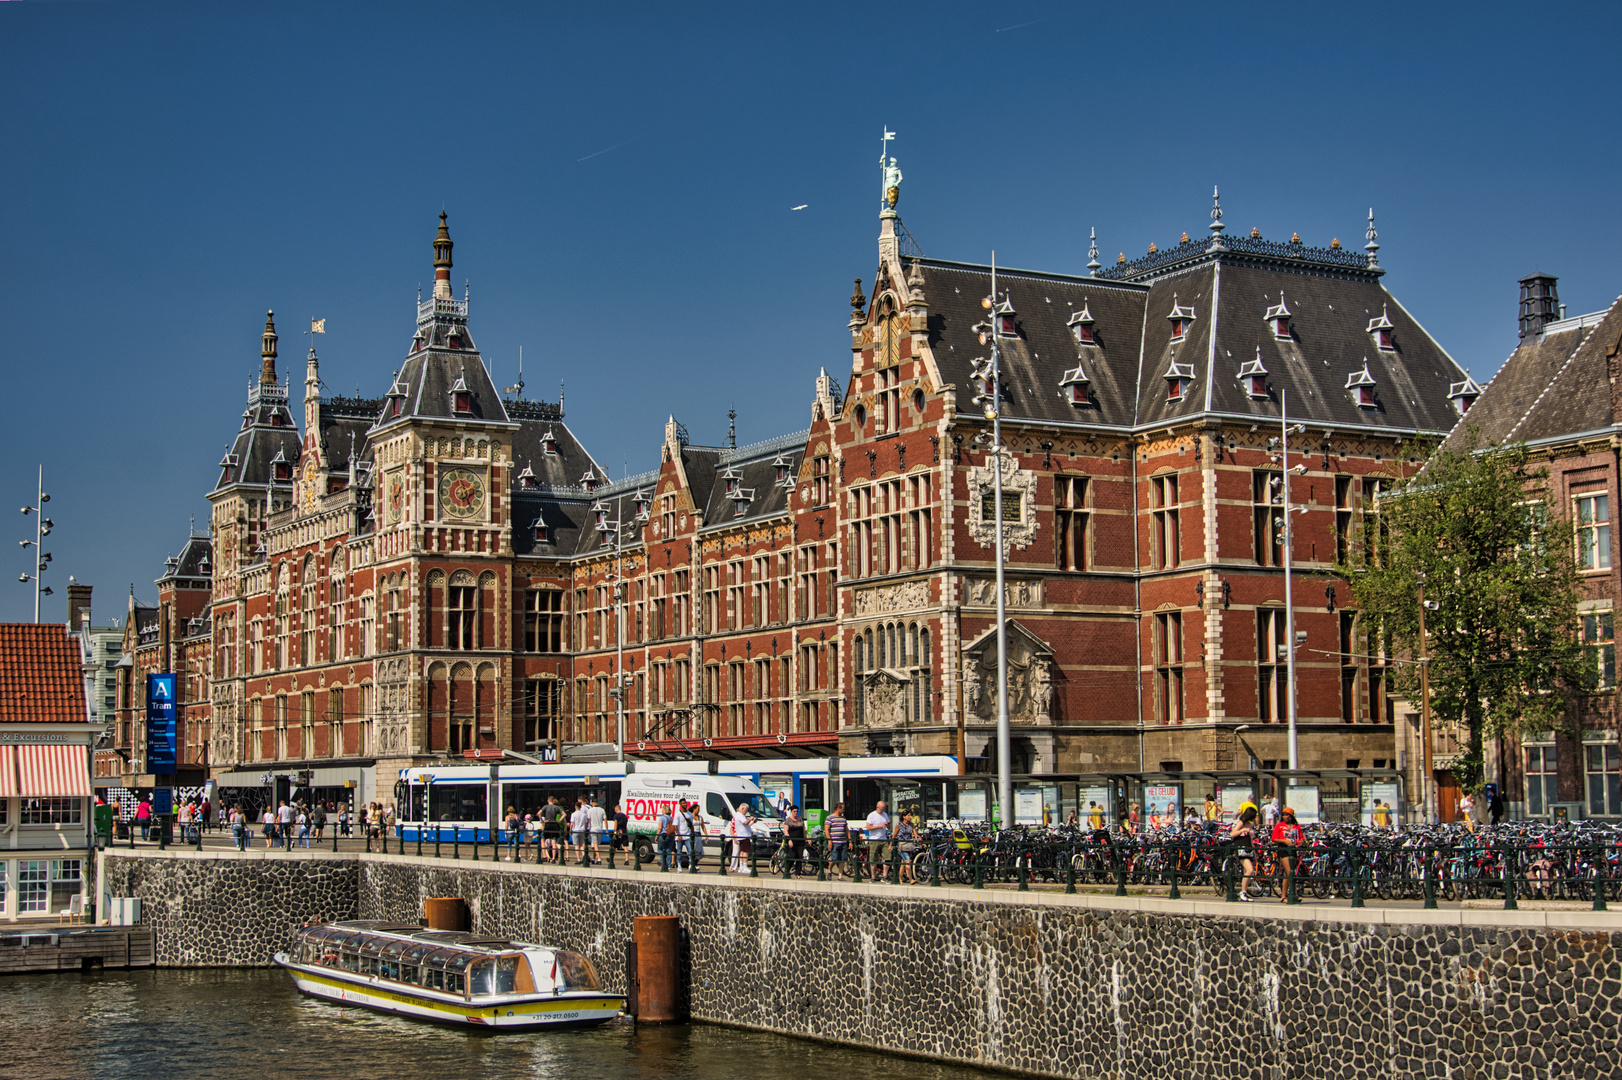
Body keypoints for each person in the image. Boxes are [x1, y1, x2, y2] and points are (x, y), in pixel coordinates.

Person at [1271, 807, 1303, 900]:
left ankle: (1283, 895)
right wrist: (1284, 841)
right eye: (1284, 815)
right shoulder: (1279, 825)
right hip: (1283, 850)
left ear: (1291, 816)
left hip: (1293, 850)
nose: (1285, 817)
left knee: (1286, 874)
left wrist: (1300, 842)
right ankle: (1294, 893)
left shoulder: (1296, 826)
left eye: (1287, 815)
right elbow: (1274, 838)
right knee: (1290, 872)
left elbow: (1301, 838)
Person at [1230, 806, 1260, 901]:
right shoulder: (1241, 823)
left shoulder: (1249, 824)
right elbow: (1232, 834)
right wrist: (1242, 830)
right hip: (1241, 848)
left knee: (1248, 872)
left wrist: (1254, 853)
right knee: (1249, 870)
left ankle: (1244, 892)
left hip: (1248, 849)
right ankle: (1243, 892)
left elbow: (1251, 840)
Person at [865, 800, 892, 881]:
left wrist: (887, 826)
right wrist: (879, 826)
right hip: (874, 839)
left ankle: (885, 876)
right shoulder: (871, 815)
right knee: (873, 858)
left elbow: (889, 827)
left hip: (883, 839)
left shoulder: (885, 815)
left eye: (884, 809)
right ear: (877, 807)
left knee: (888, 856)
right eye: (881, 809)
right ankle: (873, 876)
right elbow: (868, 827)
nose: (883, 811)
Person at [825, 803, 850, 880]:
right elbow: (826, 829)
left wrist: (850, 841)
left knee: (843, 859)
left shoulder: (843, 818)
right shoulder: (830, 818)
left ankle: (840, 875)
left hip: (843, 841)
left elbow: (846, 830)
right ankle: (829, 870)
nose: (844, 810)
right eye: (843, 808)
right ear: (838, 809)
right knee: (834, 858)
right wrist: (829, 840)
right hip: (834, 841)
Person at [783, 804, 806, 875]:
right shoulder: (788, 820)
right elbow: (786, 831)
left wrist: (807, 838)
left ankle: (798, 873)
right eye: (794, 811)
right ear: (791, 812)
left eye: (796, 811)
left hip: (800, 841)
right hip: (792, 841)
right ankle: (787, 871)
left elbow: (804, 830)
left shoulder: (800, 819)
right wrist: (789, 840)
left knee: (799, 857)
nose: (795, 813)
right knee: (792, 856)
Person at [896, 811, 918, 884]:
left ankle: (899, 878)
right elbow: (894, 835)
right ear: (904, 817)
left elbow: (915, 834)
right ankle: (911, 879)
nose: (910, 817)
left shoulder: (911, 825)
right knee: (907, 861)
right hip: (901, 846)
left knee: (903, 863)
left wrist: (917, 839)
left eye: (910, 815)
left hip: (908, 846)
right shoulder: (898, 825)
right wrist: (890, 845)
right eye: (908, 815)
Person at [541, 796, 565, 864]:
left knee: (543, 840)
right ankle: (554, 858)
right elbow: (564, 814)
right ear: (553, 800)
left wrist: (543, 820)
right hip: (554, 824)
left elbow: (538, 813)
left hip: (548, 824)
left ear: (548, 800)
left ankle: (544, 856)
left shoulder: (546, 807)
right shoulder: (557, 807)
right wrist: (559, 821)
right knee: (553, 842)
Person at [674, 798, 694, 871]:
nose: (685, 804)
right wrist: (678, 835)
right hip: (680, 835)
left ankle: (691, 864)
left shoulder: (689, 814)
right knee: (679, 851)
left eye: (685, 803)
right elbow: (675, 826)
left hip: (687, 835)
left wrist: (692, 834)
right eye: (683, 803)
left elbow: (691, 825)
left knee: (690, 850)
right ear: (680, 804)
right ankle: (679, 865)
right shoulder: (678, 814)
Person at [570, 799, 592, 865]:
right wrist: (585, 829)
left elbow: (572, 823)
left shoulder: (573, 814)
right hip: (582, 831)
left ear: (575, 807)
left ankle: (578, 859)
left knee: (576, 845)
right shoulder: (584, 815)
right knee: (582, 844)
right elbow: (586, 823)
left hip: (575, 831)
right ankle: (584, 855)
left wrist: (570, 830)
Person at [587, 798, 607, 864]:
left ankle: (599, 859)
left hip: (593, 829)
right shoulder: (602, 810)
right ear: (597, 803)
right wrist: (606, 830)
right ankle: (593, 858)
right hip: (600, 829)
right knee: (596, 845)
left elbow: (588, 820)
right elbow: (605, 821)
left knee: (595, 845)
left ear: (592, 803)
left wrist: (586, 828)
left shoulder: (590, 810)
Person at [656, 803, 675, 871]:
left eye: (662, 810)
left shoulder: (662, 818)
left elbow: (660, 828)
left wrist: (657, 836)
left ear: (664, 810)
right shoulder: (672, 818)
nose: (662, 811)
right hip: (671, 835)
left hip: (664, 835)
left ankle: (664, 863)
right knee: (668, 849)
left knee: (660, 849)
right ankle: (669, 865)